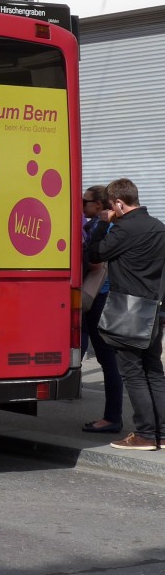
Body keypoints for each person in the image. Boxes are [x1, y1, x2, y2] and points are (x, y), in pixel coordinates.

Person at [88, 178, 165, 451]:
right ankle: (162, 433)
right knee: (154, 371)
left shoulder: (122, 230)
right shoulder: (159, 227)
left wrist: (102, 225)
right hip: (153, 309)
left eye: (111, 206)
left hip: (128, 310)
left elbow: (94, 254)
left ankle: (145, 434)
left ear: (119, 203)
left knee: (132, 373)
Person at [80, 185, 123, 434]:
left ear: (99, 205)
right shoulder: (98, 225)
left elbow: (95, 261)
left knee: (108, 359)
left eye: (85, 201)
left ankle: (112, 417)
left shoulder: (104, 226)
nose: (81, 204)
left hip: (101, 296)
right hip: (101, 296)